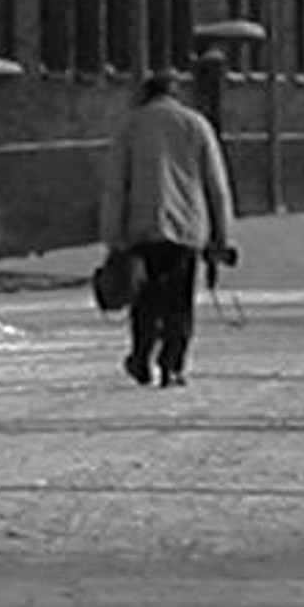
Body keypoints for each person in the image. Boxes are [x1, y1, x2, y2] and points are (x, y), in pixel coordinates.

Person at [107, 66, 239, 388]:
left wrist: (113, 236)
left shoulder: (131, 126)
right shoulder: (196, 125)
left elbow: (115, 184)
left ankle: (141, 356)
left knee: (145, 298)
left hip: (141, 226)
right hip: (186, 228)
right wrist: (222, 236)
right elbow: (216, 186)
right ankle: (173, 362)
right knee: (179, 299)